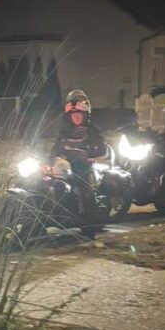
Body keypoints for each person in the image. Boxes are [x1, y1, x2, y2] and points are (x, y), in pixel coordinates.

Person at [50, 89, 109, 232]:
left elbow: (101, 149)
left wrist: (88, 155)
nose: (76, 117)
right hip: (65, 167)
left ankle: (89, 226)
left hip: (84, 167)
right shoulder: (64, 132)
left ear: (85, 114)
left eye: (79, 114)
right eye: (73, 114)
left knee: (84, 189)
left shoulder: (93, 131)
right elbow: (55, 149)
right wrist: (50, 158)